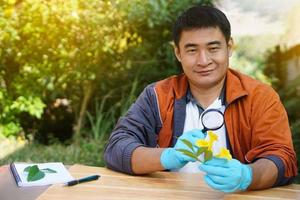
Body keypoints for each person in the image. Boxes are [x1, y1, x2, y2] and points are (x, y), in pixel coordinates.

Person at [104, 5, 298, 193]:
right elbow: (117, 148)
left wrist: (247, 175)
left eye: (213, 48)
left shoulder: (261, 97)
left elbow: (282, 158)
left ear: (229, 47)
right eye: (192, 50)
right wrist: (168, 156)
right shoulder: (157, 95)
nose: (204, 60)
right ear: (178, 53)